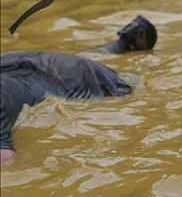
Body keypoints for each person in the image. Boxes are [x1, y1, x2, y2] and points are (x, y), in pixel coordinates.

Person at [1, 16, 157, 166]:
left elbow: (7, 158)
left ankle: (129, 45)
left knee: (134, 86)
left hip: (78, 76)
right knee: (78, 61)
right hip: (19, 61)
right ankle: (125, 42)